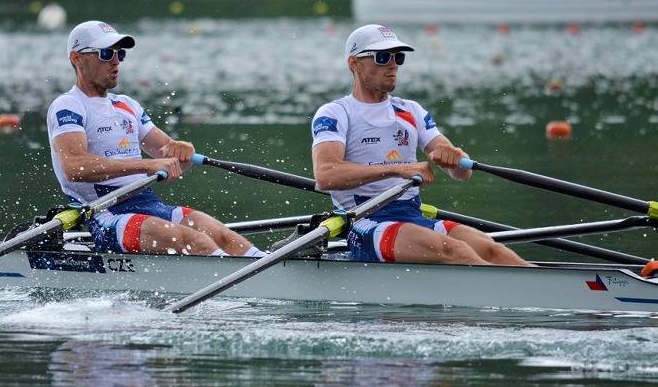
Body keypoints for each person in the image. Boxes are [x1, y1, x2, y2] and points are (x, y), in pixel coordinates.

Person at [310, 24, 531, 266]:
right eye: (382, 57)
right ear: (354, 63)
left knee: (493, 251)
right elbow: (326, 176)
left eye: (398, 57)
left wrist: (455, 155)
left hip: (413, 215)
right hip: (366, 222)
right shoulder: (336, 113)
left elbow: (461, 173)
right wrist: (398, 169)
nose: (392, 64)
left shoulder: (410, 110)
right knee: (457, 251)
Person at [47, 20, 266, 258]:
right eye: (106, 53)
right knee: (194, 241)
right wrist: (149, 165)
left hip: (149, 205)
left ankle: (264, 266)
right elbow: (74, 167)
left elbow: (172, 159)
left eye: (120, 53)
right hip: (106, 215)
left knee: (223, 237)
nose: (115, 61)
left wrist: (182, 151)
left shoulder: (127, 105)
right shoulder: (69, 105)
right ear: (77, 58)